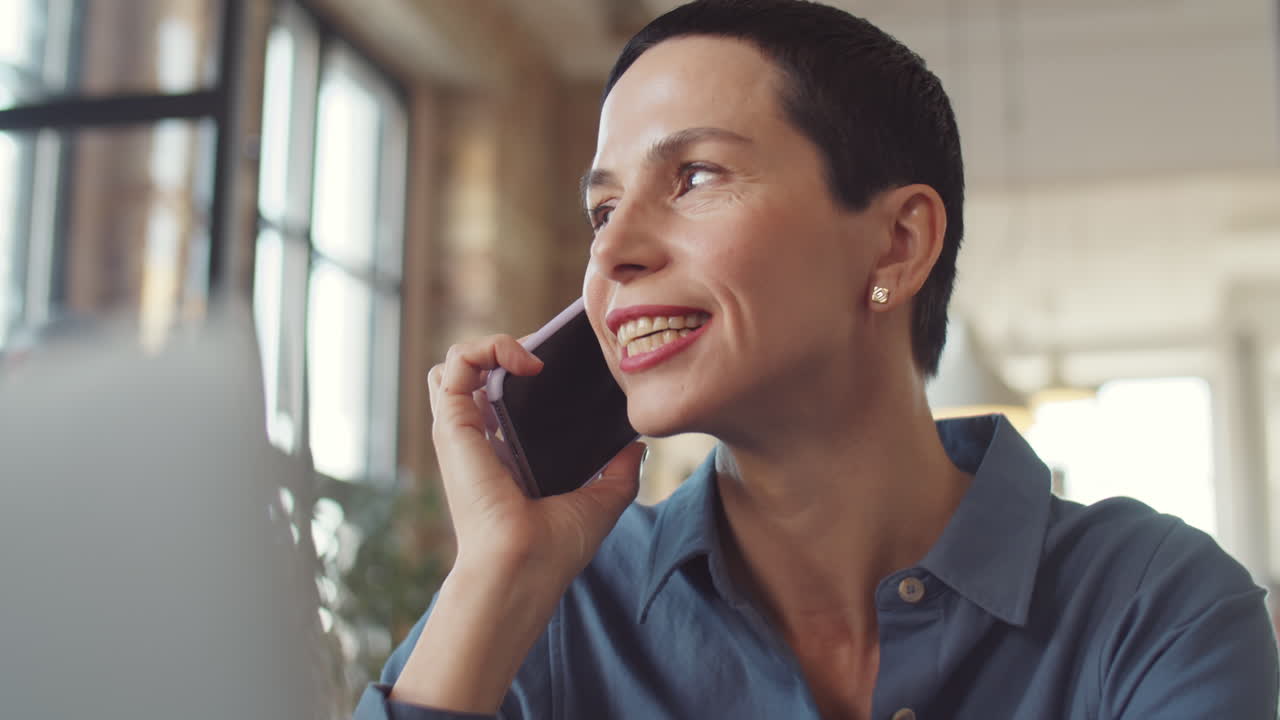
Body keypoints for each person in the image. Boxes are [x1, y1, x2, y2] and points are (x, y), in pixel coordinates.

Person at [356, 1, 1279, 717]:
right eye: (602, 210)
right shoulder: (552, 607)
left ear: (895, 246)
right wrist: (495, 576)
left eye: (697, 176)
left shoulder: (1155, 605)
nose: (611, 254)